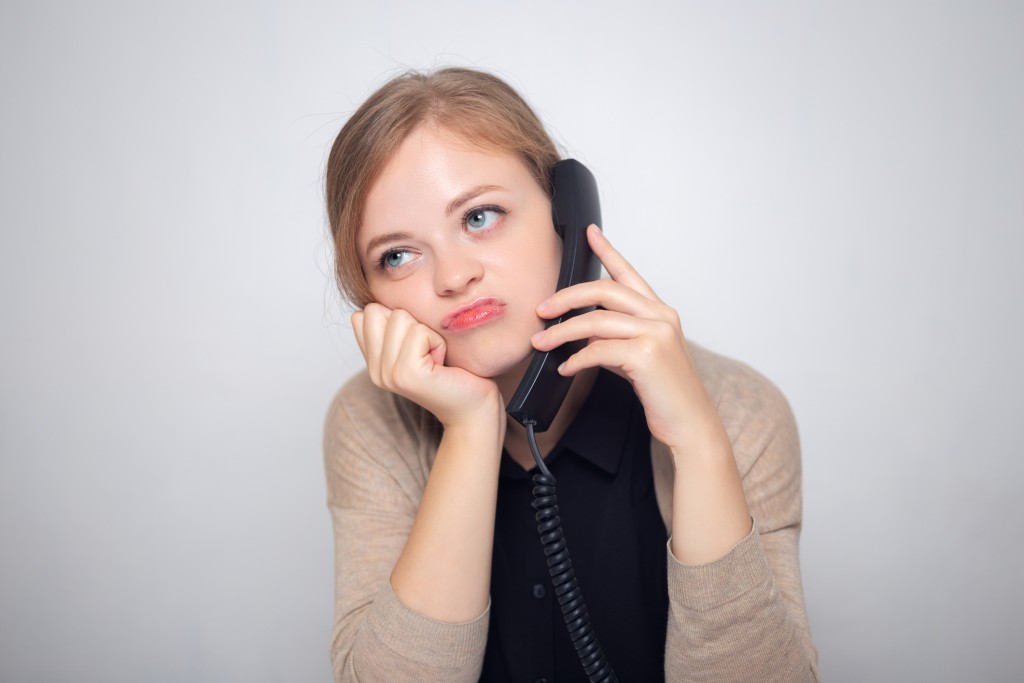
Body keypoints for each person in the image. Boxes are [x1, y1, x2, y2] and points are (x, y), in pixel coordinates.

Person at [322, 67, 819, 682]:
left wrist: (698, 442)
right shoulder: (371, 420)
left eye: (479, 217)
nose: (452, 277)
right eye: (397, 255)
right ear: (370, 299)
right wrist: (473, 425)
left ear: (568, 215)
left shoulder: (740, 409)